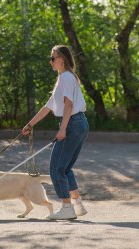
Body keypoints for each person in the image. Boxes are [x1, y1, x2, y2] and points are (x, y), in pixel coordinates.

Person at [22, 45, 89, 220]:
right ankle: (77, 205)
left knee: (56, 168)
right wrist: (30, 124)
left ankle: (67, 207)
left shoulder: (66, 77)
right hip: (78, 123)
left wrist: (62, 129)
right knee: (65, 167)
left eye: (53, 58)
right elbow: (48, 107)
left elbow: (68, 105)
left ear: (62, 59)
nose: (50, 61)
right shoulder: (64, 78)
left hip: (72, 124)